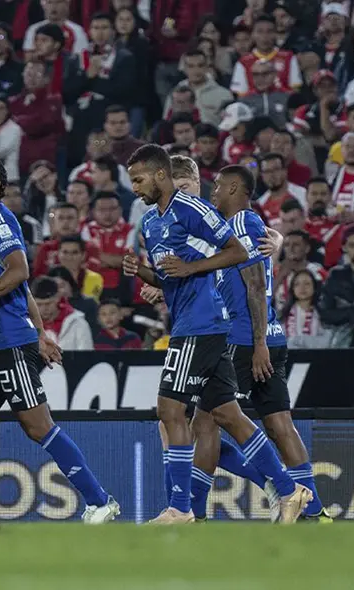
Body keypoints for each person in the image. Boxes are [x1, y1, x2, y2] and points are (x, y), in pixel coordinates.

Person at [123, 144, 310, 524]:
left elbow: (238, 251)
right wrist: (143, 272)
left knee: (169, 411)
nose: (135, 188)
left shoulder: (192, 211)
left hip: (204, 324)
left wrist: (195, 269)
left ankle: (182, 508)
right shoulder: (150, 223)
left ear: (162, 176)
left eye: (139, 179)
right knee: (228, 416)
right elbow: (170, 276)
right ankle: (289, 491)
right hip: (192, 324)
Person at [0, 153, 119, 524]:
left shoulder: (0, 219)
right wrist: (41, 332)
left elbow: (19, 270)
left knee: (38, 427)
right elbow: (20, 287)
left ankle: (100, 501)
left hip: (8, 344)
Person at [200, 165, 329, 522]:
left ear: (236, 187)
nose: (212, 192)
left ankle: (282, 490)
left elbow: (255, 285)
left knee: (209, 423)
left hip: (245, 340)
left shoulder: (241, 224)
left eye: (218, 186)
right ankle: (313, 511)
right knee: (278, 424)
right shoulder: (249, 226)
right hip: (268, 335)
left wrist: (257, 344)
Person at [32, 276, 92, 350]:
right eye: (39, 304)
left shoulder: (77, 323)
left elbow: (86, 356)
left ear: (57, 298)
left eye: (48, 304)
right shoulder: (29, 326)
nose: (43, 309)